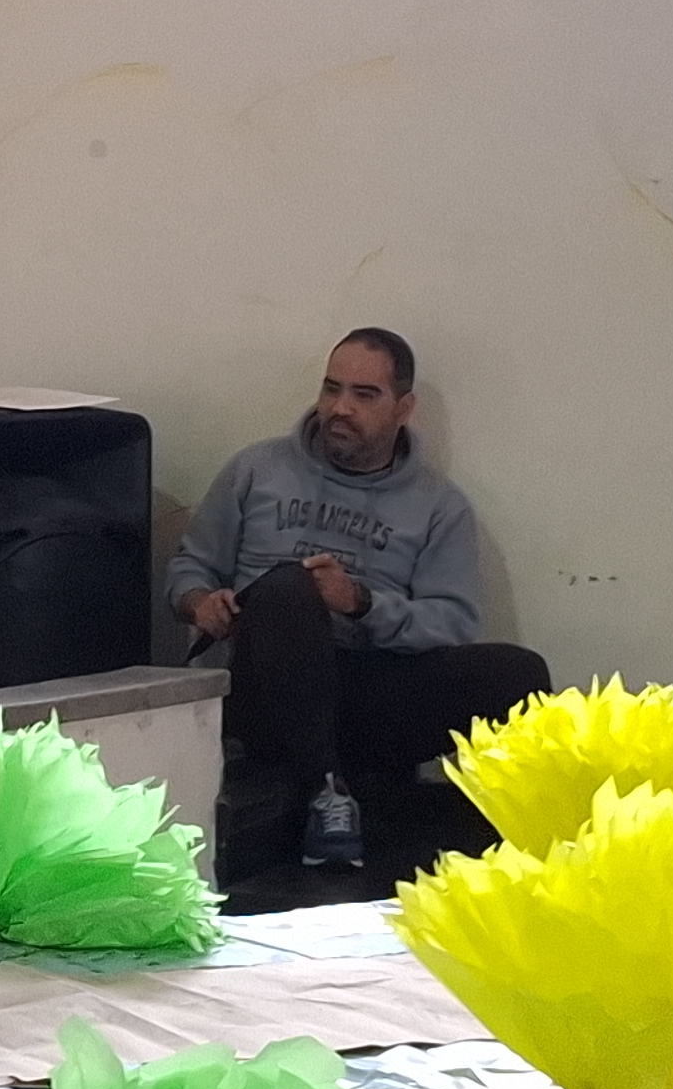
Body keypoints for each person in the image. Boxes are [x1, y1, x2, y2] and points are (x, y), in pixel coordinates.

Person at [169, 329, 551, 869]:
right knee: (289, 588)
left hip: (366, 688)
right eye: (332, 389)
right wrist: (200, 602)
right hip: (264, 687)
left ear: (403, 409)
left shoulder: (439, 507)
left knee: (518, 672)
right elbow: (190, 565)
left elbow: (452, 623)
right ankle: (324, 789)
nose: (340, 408)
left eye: (364, 395)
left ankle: (500, 836)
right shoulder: (256, 470)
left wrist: (360, 601)